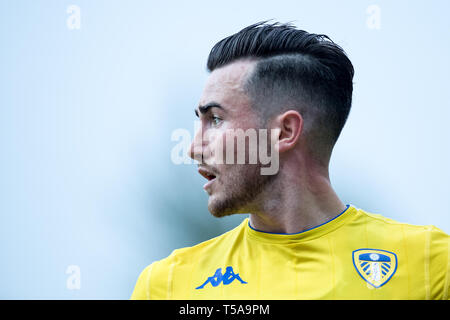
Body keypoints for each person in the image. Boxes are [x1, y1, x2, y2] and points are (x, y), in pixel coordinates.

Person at [131, 21, 449, 299]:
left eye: (215, 119)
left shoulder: (431, 264)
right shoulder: (166, 285)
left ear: (284, 132)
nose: (193, 148)